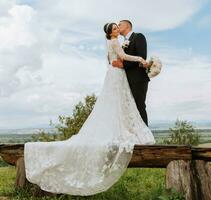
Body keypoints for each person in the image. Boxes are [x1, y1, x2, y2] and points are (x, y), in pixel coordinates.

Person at [23, 22, 155, 196]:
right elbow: (122, 56)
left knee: (120, 102)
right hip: (118, 75)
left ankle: (127, 128)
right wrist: (138, 59)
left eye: (119, 26)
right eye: (115, 28)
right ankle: (128, 130)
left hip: (116, 75)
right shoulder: (116, 41)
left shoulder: (124, 39)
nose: (118, 29)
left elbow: (112, 59)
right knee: (120, 102)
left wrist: (123, 62)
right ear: (110, 32)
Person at [112, 20, 150, 126]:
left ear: (127, 26)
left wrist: (123, 65)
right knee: (129, 109)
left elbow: (141, 57)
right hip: (126, 80)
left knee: (139, 106)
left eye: (120, 24)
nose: (118, 26)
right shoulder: (122, 43)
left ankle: (145, 139)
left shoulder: (138, 37)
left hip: (138, 79)